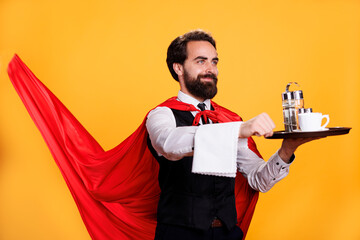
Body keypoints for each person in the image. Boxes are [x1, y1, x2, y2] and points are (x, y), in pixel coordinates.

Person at [146, 30, 315, 240]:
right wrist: (238, 130)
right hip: (179, 234)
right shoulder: (162, 114)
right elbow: (169, 145)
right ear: (178, 67)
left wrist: (288, 149)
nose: (211, 69)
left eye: (214, 62)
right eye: (201, 61)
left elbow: (258, 179)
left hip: (226, 233)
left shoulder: (227, 118)